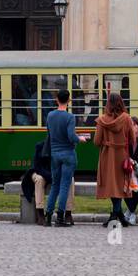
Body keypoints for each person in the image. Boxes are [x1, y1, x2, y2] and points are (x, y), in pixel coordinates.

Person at [94, 92, 136, 227]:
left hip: (107, 156)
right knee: (118, 186)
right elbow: (133, 139)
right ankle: (120, 216)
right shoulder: (127, 118)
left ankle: (114, 216)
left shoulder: (101, 120)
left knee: (112, 186)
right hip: (122, 155)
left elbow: (96, 141)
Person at [46, 89, 86, 227]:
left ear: (57, 99)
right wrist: (79, 138)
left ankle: (47, 216)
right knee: (64, 186)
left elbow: (49, 133)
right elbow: (71, 136)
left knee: (55, 185)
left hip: (54, 154)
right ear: (69, 101)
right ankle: (60, 218)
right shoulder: (70, 117)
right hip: (68, 154)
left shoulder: (50, 115)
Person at [21, 134, 76, 225]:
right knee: (39, 180)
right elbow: (37, 166)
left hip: (54, 174)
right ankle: (40, 213)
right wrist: (51, 176)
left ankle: (68, 213)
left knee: (70, 179)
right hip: (39, 172)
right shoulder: (40, 146)